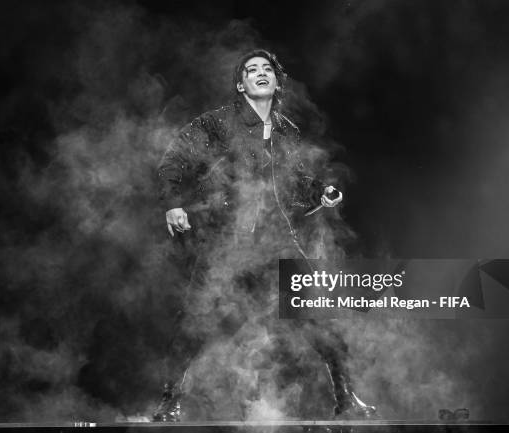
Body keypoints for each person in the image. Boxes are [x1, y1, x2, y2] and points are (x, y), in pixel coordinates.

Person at [154, 49, 375, 421]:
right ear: (240, 85)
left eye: (267, 69)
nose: (260, 73)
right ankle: (169, 401)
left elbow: (297, 181)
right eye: (251, 70)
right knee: (197, 321)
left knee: (320, 317)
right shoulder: (217, 124)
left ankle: (347, 399)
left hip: (277, 241)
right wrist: (174, 202)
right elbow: (175, 159)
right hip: (229, 242)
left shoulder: (287, 130)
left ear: (276, 81)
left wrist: (322, 190)